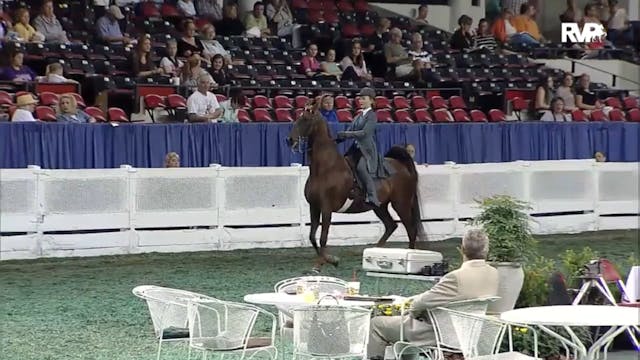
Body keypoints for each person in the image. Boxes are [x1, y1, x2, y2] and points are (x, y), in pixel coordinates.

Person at [367, 229, 499, 359]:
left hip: (440, 334)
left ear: (462, 250)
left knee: (376, 324)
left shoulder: (455, 277)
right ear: (486, 251)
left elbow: (419, 305)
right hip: (472, 333)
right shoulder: (494, 274)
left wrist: (412, 313)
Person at [337, 87, 382, 207]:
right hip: (355, 148)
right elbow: (350, 130)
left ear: (371, 101)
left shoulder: (372, 116)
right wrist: (335, 140)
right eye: (360, 99)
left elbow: (365, 133)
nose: (360, 101)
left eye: (363, 99)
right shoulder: (358, 116)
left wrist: (347, 134)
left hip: (366, 149)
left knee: (362, 168)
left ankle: (372, 196)